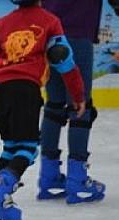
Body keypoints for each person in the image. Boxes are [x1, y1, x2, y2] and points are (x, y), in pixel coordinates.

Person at [0, 0, 86, 220]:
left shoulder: (2, 23)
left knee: (11, 146)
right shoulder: (50, 21)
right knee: (28, 147)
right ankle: (0, 194)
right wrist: (78, 95)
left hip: (0, 90)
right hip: (26, 89)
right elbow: (61, 57)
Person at [37, 0, 109, 204]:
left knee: (54, 106)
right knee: (81, 107)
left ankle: (48, 177)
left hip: (49, 35)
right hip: (78, 32)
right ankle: (78, 178)